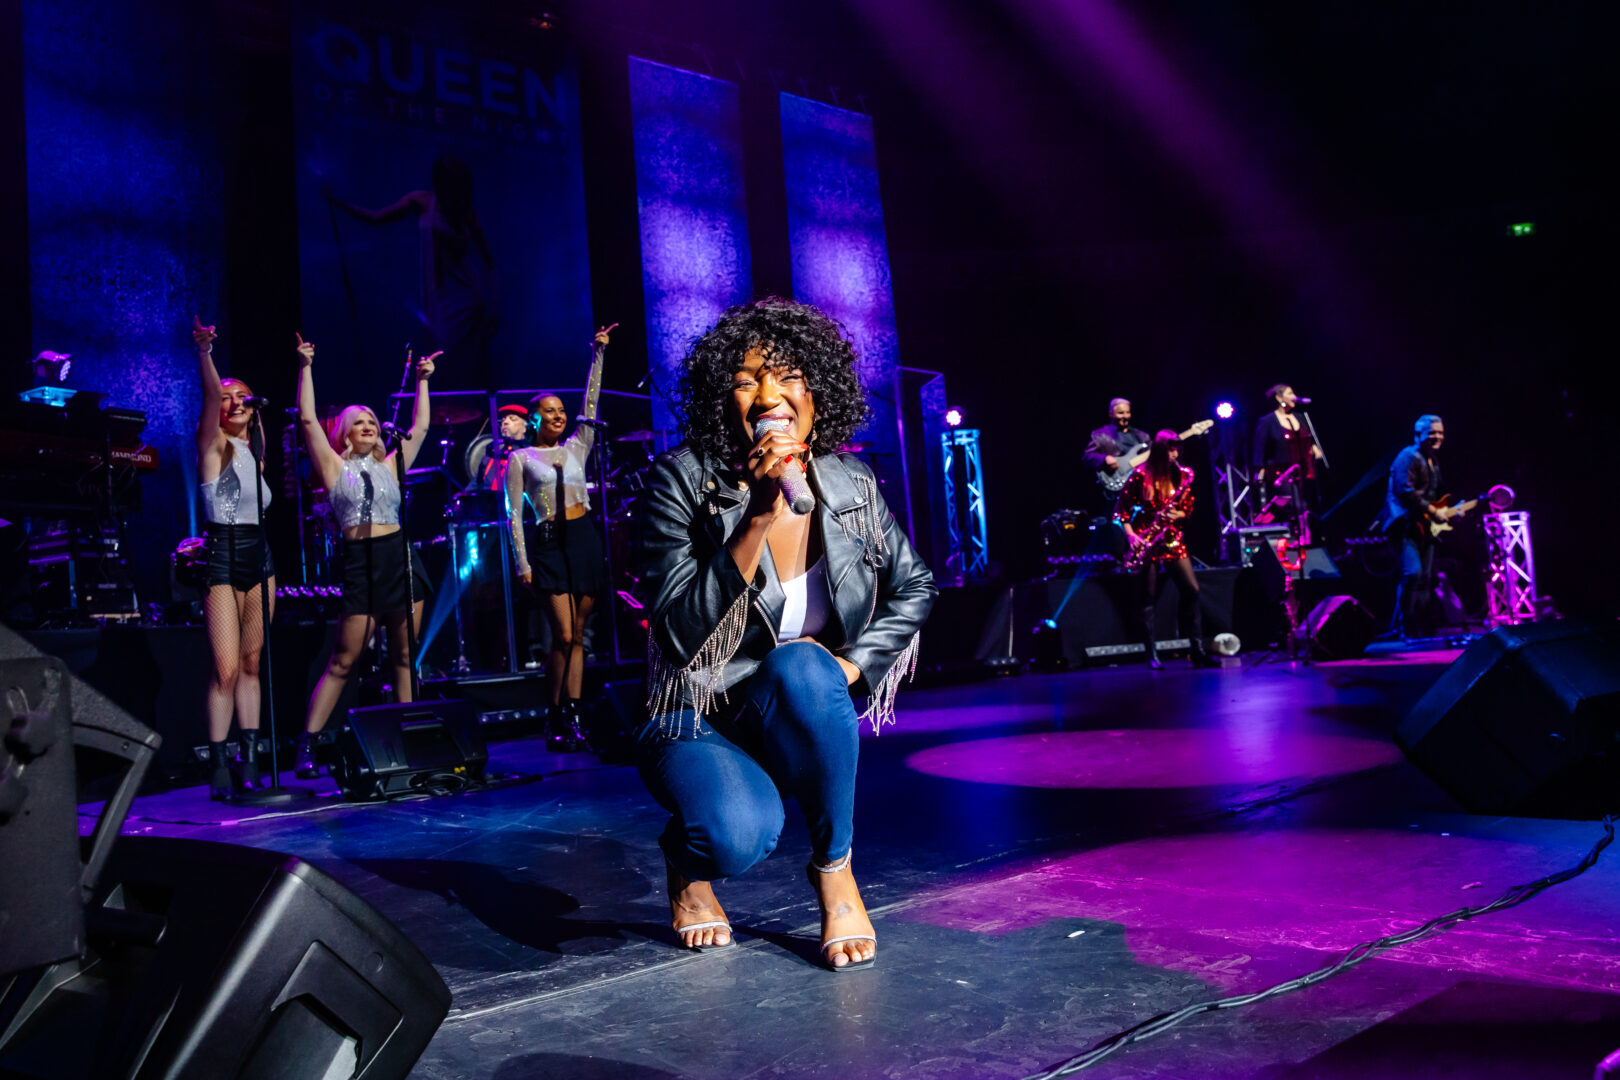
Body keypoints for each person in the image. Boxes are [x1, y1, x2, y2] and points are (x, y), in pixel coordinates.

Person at [637, 298, 935, 970]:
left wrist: (854, 668)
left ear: (816, 396)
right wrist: (757, 518)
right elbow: (683, 635)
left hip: (793, 706)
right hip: (701, 714)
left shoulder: (849, 482)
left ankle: (834, 867)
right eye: (746, 380)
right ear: (724, 400)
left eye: (788, 375)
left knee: (807, 668)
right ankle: (686, 863)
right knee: (735, 840)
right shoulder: (680, 482)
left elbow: (916, 584)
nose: (768, 394)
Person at [293, 333, 439, 777]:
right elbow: (307, 422)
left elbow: (422, 427)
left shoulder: (393, 462)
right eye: (359, 422)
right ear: (345, 432)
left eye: (373, 420)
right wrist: (306, 367)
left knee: (402, 656)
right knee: (344, 658)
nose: (369, 426)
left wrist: (423, 382)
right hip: (361, 561)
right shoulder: (334, 466)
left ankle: (407, 734)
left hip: (400, 558)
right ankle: (309, 742)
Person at [506, 324, 617, 749]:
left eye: (560, 410)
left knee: (581, 635)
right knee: (564, 635)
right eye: (549, 411)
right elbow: (513, 515)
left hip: (582, 536)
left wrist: (598, 355)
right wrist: (523, 563)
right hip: (549, 540)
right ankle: (554, 713)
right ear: (535, 418)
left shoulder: (578, 447)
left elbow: (592, 400)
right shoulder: (522, 459)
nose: (558, 415)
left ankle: (572, 713)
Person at [192, 316, 275, 800]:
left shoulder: (253, 452)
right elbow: (208, 399)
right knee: (224, 667)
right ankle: (218, 759)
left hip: (258, 554)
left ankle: (252, 757)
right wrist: (205, 354)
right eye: (228, 395)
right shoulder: (213, 444)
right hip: (222, 553)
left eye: (242, 394)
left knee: (250, 663)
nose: (235, 401)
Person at [326, 155, 498, 387]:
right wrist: (339, 202)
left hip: (465, 297)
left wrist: (493, 307)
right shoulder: (422, 201)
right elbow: (378, 217)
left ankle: (472, 409)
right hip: (436, 294)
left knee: (460, 360)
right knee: (437, 352)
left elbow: (490, 261)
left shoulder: (466, 215)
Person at [1114, 430, 1215, 669]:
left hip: (1171, 538)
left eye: (1177, 449)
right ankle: (1152, 653)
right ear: (1159, 450)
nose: (1175, 454)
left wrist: (1179, 513)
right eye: (1170, 449)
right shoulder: (1139, 476)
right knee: (1147, 598)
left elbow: (1188, 509)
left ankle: (1197, 649)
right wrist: (1131, 536)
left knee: (1192, 590)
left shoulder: (1182, 475)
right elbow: (1121, 512)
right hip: (1146, 539)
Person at [1375, 414, 1465, 640]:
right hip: (1404, 524)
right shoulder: (1408, 456)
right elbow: (1405, 490)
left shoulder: (1432, 460)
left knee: (1423, 577)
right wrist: (1434, 511)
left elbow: (1437, 494)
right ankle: (1404, 627)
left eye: (1441, 432)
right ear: (1418, 435)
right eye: (1432, 433)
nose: (1437, 437)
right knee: (1412, 573)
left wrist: (1452, 510)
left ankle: (1410, 627)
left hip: (1424, 526)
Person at [1252, 383, 1323, 526]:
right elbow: (1259, 448)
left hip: (1304, 471)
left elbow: (1309, 437)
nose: (1294, 397)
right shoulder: (1268, 421)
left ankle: (1311, 539)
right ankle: (1294, 539)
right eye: (1290, 393)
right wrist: (1259, 470)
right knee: (1296, 507)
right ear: (1279, 398)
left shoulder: (1301, 417)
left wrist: (1314, 447)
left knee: (1311, 506)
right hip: (1282, 475)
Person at [1082, 397, 1151, 518]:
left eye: (1127, 412)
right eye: (1120, 413)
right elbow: (1087, 457)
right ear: (1111, 413)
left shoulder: (1142, 436)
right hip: (1111, 492)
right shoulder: (1100, 435)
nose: (1125, 416)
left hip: (1137, 489)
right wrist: (1104, 458)